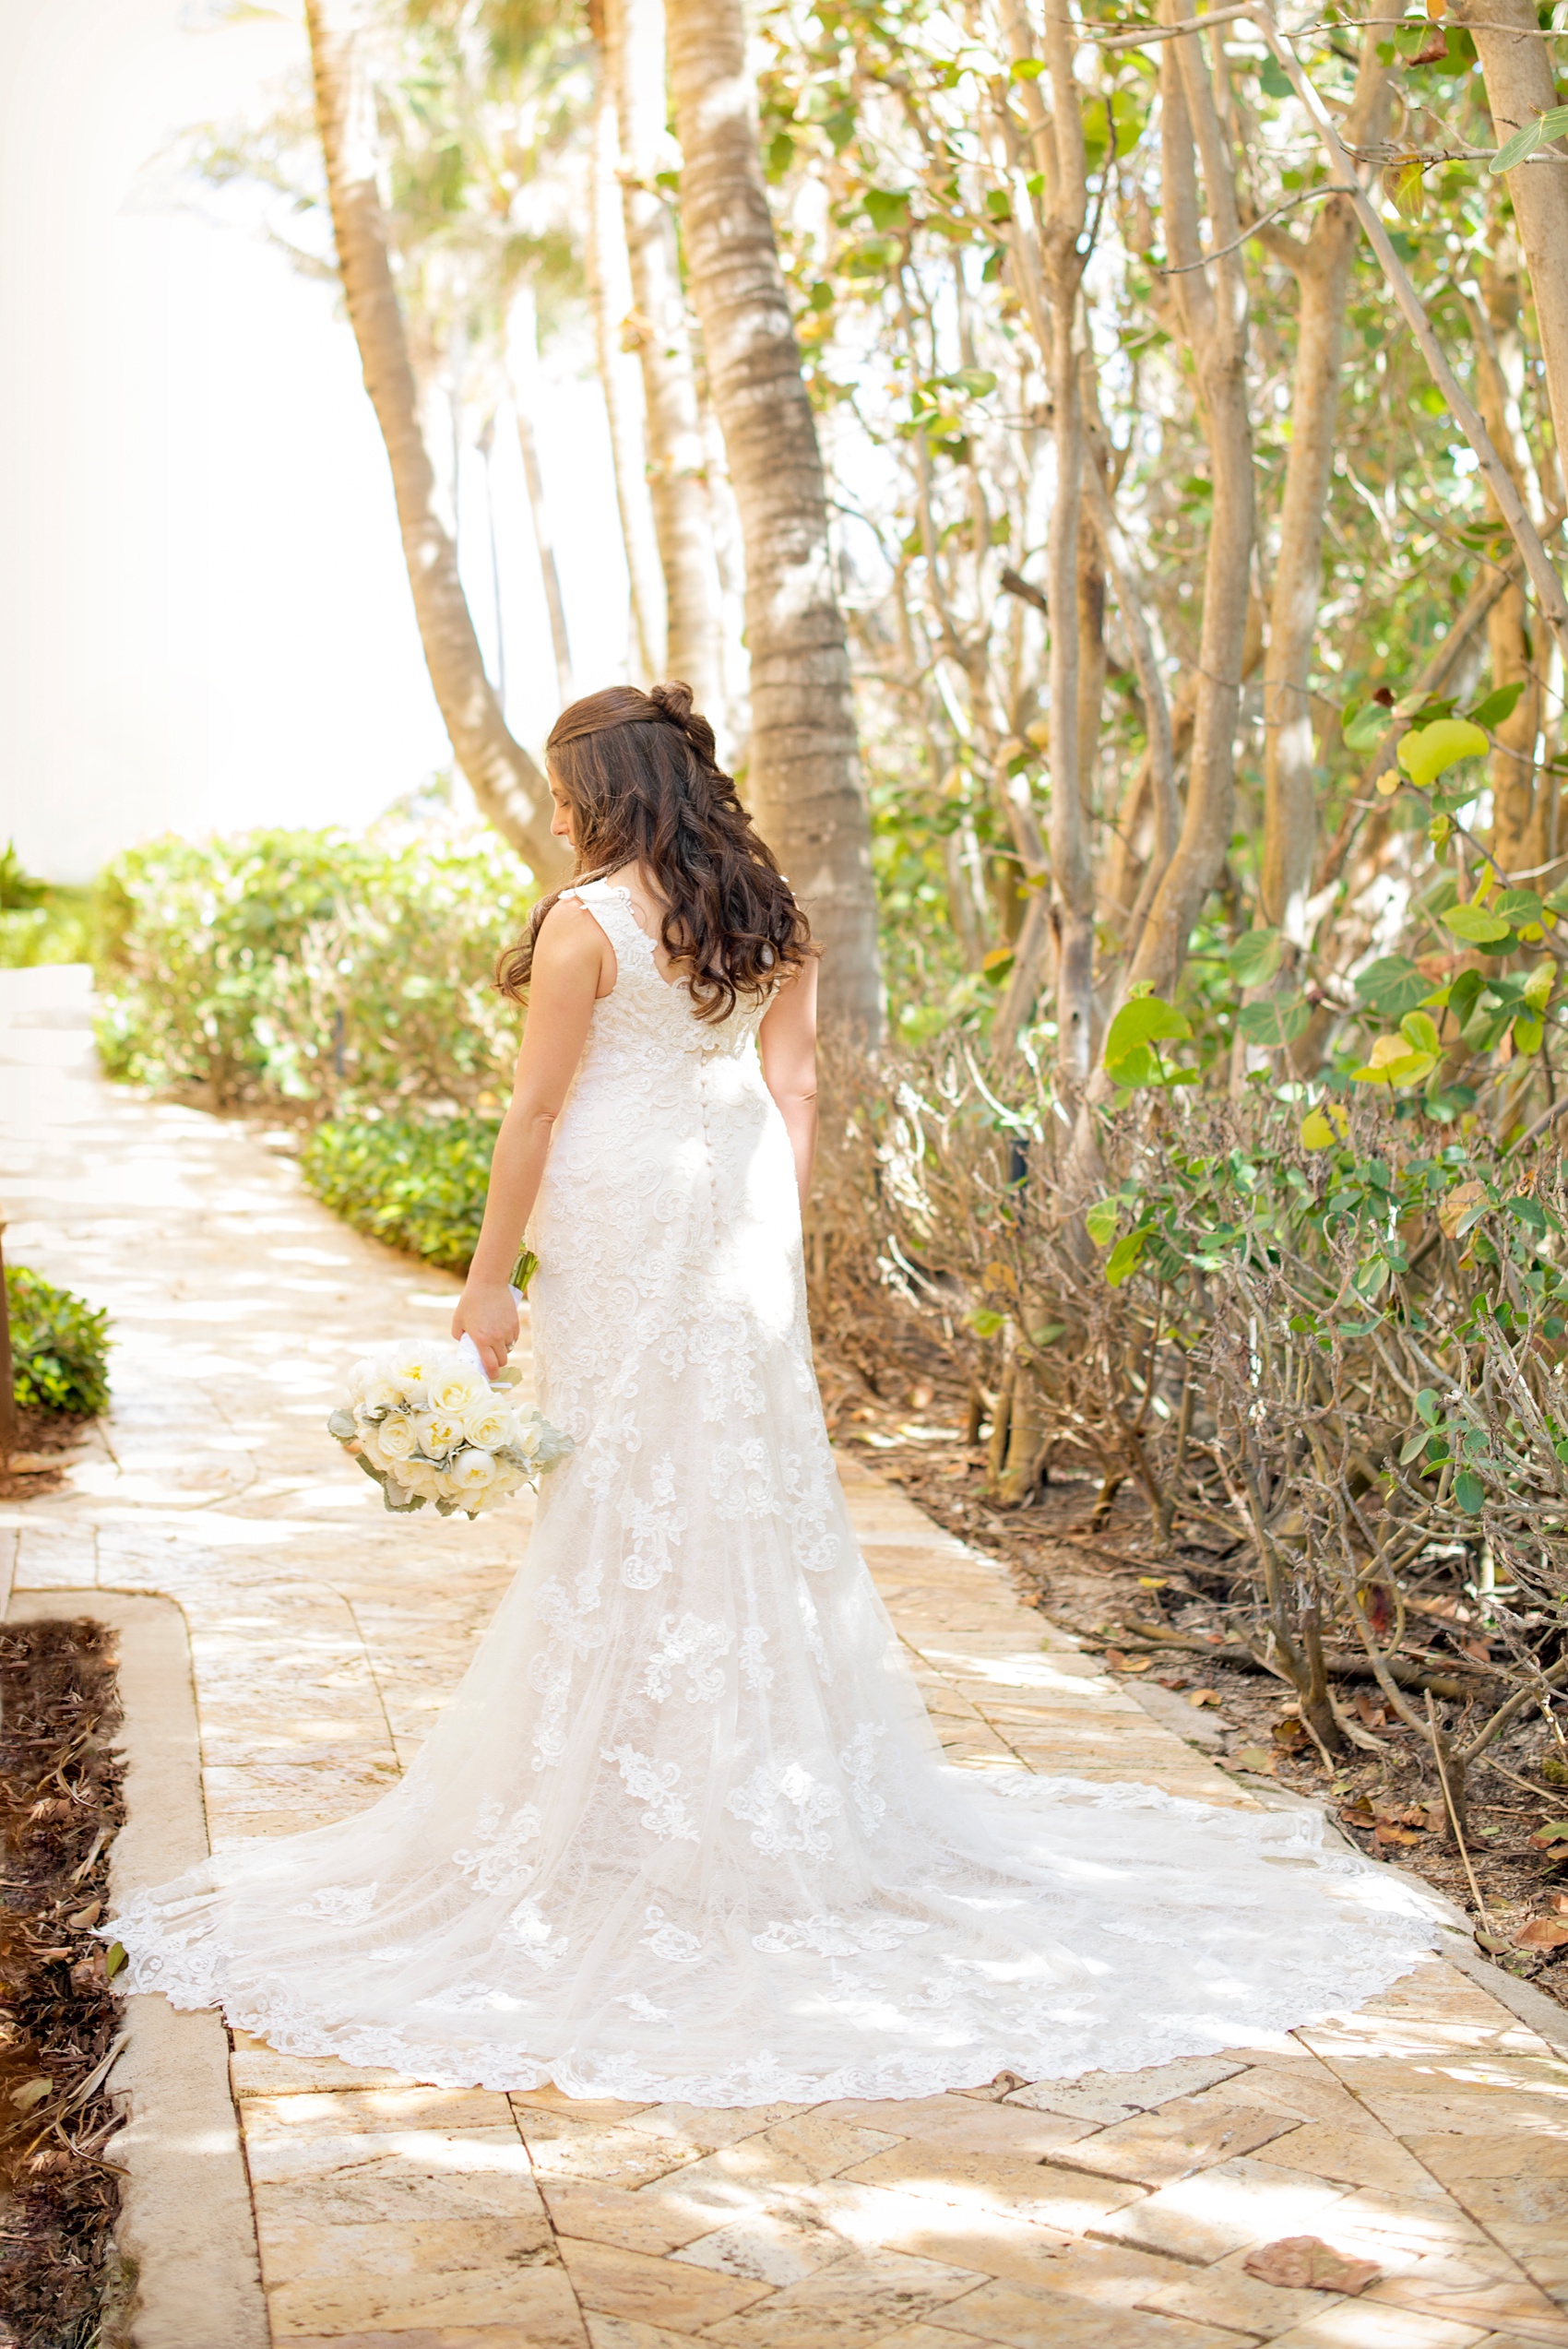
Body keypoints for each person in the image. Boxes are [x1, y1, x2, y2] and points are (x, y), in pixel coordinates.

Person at [105, 683, 1442, 2106]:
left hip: (619, 1218)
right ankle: (727, 1788)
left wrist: (486, 1286)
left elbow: (538, 1112)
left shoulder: (584, 924)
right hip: (739, 1219)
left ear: (604, 789)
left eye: (564, 789)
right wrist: (771, 1243)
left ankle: (627, 1800)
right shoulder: (773, 912)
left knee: (623, 1480)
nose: (554, 813)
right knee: (734, 1479)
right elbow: (794, 1093)